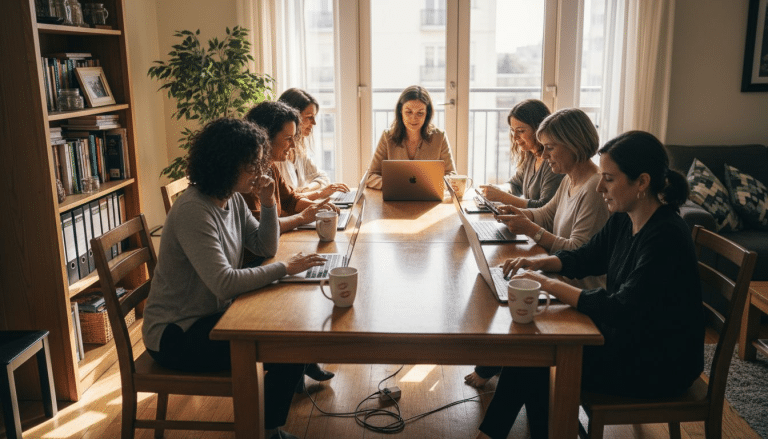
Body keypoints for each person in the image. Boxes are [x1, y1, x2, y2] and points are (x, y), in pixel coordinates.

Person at [475, 131, 704, 439]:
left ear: (642, 182)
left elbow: (620, 309)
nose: (599, 187)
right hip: (630, 340)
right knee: (535, 353)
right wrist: (538, 264)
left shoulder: (666, 236)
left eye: (608, 179)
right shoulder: (626, 216)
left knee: (537, 358)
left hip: (659, 364)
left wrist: (545, 284)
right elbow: (586, 257)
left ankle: (504, 434)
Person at [142, 118, 329, 439]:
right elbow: (224, 283)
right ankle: (266, 432)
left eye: (259, 163)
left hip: (212, 316)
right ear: (225, 165)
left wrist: (269, 203)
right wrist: (285, 268)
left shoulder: (231, 198)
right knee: (290, 344)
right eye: (251, 165)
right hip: (177, 335)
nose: (260, 172)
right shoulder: (194, 211)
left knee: (296, 330)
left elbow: (265, 246)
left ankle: (267, 425)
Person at [464, 108, 609, 389]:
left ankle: (496, 364)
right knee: (499, 285)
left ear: (574, 145)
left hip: (577, 288)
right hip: (561, 278)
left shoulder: (593, 188)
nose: (544, 154)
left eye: (550, 147)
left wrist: (531, 229)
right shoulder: (571, 178)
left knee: (509, 301)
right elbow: (546, 213)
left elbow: (576, 252)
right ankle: (497, 365)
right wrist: (521, 215)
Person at [243, 100, 339, 233]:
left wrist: (318, 208)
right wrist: (302, 218)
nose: (293, 145)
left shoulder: (270, 167)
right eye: (288, 138)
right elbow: (260, 227)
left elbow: (290, 200)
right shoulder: (246, 178)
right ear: (266, 138)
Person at [366, 85, 456, 188]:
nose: (414, 118)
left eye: (420, 113)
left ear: (427, 113)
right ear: (400, 111)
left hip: (428, 196)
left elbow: (452, 175)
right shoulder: (387, 137)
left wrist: (432, 185)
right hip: (396, 195)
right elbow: (370, 176)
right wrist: (397, 185)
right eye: (408, 112)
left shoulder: (439, 137)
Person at [478, 99, 564, 208]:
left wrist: (502, 196)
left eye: (521, 131)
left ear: (539, 129)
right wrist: (499, 190)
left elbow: (544, 207)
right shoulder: (531, 155)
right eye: (512, 130)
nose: (514, 137)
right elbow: (515, 184)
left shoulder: (553, 162)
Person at [277, 88, 350, 200]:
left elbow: (323, 177)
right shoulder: (276, 157)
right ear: (292, 117)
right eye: (309, 117)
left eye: (314, 117)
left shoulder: (298, 149)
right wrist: (320, 193)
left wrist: (305, 190)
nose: (314, 123)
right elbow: (286, 201)